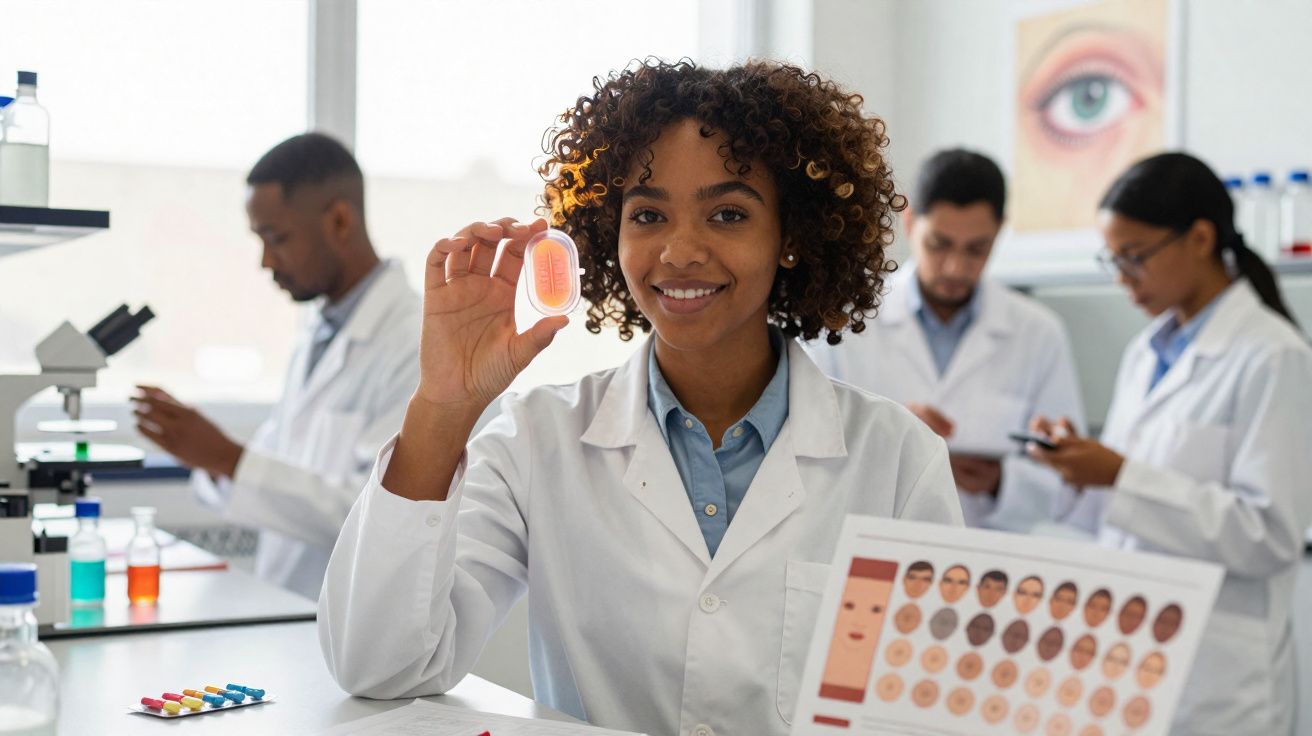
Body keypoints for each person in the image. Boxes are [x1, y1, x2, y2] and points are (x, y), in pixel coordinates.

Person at [317, 60, 962, 735]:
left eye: (729, 213)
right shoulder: (537, 439)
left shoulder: (895, 458)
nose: (680, 251)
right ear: (608, 234)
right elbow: (379, 668)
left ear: (792, 238)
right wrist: (443, 407)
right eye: (648, 214)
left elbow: (935, 709)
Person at [1027, 152, 1312, 734]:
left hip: (1221, 683)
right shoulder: (1145, 353)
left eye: (1134, 258)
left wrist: (1122, 476)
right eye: (1113, 259)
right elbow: (1131, 516)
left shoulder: (1272, 357)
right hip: (1133, 658)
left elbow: (1272, 535)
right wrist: (1082, 466)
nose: (1121, 278)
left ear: (1201, 238)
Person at [132, 133, 420, 600]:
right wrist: (207, 453)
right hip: (288, 607)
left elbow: (375, 513)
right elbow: (276, 465)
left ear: (340, 220)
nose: (266, 262)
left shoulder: (413, 342)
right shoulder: (319, 335)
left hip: (354, 623)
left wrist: (226, 457)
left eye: (277, 238)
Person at [806, 149, 1085, 529]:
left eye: (976, 249)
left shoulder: (1039, 333)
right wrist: (891, 432)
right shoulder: (843, 321)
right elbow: (805, 454)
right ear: (910, 223)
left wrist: (1001, 483)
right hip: (874, 544)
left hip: (986, 558)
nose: (955, 267)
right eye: (939, 244)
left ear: (999, 231)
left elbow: (1069, 478)